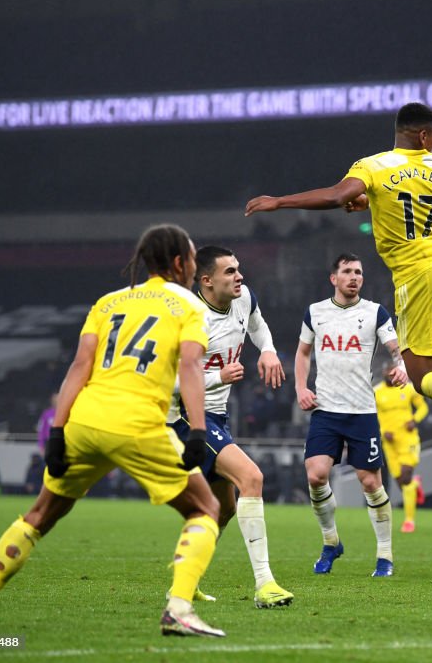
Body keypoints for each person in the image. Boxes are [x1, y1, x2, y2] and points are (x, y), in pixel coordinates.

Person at [0, 224, 226, 637]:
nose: (192, 264)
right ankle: (178, 609)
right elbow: (189, 366)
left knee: (39, 515)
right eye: (190, 256)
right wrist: (198, 432)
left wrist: (58, 431)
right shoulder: (189, 306)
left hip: (85, 419)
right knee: (205, 510)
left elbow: (79, 366)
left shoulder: (109, 302)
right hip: (137, 423)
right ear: (178, 262)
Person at [245, 102, 432, 463]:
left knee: (423, 379)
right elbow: (407, 198)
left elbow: (338, 195)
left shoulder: (372, 165)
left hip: (419, 275)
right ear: (423, 135)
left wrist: (280, 202)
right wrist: (368, 202)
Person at [167, 245, 293, 608]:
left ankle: (183, 583)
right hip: (188, 418)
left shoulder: (243, 298)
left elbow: (258, 325)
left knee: (221, 510)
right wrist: (216, 376)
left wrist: (267, 350)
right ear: (206, 281)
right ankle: (265, 584)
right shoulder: (188, 320)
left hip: (217, 417)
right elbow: (166, 383)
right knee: (252, 478)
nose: (240, 277)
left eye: (239, 269)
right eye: (230, 272)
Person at [295, 254, 407, 577]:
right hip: (325, 410)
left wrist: (400, 367)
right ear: (334, 278)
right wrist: (301, 388)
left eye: (358, 272)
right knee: (316, 475)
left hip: (361, 411)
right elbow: (303, 353)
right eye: (347, 272)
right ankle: (331, 542)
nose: (354, 277)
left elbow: (397, 349)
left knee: (371, 482)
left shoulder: (375, 312)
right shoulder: (315, 313)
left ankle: (384, 556)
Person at [373, 361, 428, 533]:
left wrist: (414, 420)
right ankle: (415, 485)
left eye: (393, 372)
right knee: (403, 483)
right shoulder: (376, 391)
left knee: (405, 476)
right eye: (388, 373)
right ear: (383, 374)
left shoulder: (408, 388)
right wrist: (382, 432)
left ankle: (409, 521)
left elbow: (423, 408)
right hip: (389, 443)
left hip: (408, 439)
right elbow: (372, 416)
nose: (390, 375)